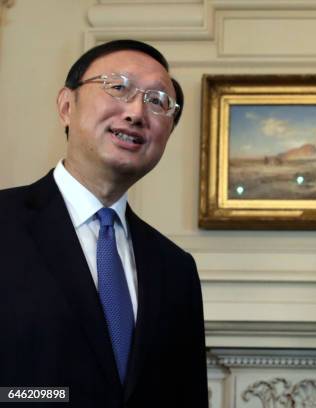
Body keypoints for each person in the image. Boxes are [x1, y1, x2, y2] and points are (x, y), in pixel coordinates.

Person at [0, 40, 208, 407]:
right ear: (66, 106)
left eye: (158, 102)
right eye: (118, 87)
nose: (136, 112)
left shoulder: (176, 268)